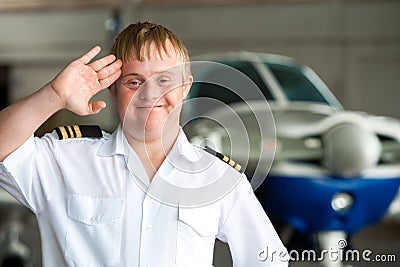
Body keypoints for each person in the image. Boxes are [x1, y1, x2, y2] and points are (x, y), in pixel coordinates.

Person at [0, 21, 288, 266]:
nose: (150, 94)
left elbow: (269, 259)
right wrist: (53, 94)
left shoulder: (218, 177)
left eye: (164, 81)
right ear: (113, 90)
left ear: (186, 87)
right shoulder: (64, 160)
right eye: (134, 83)